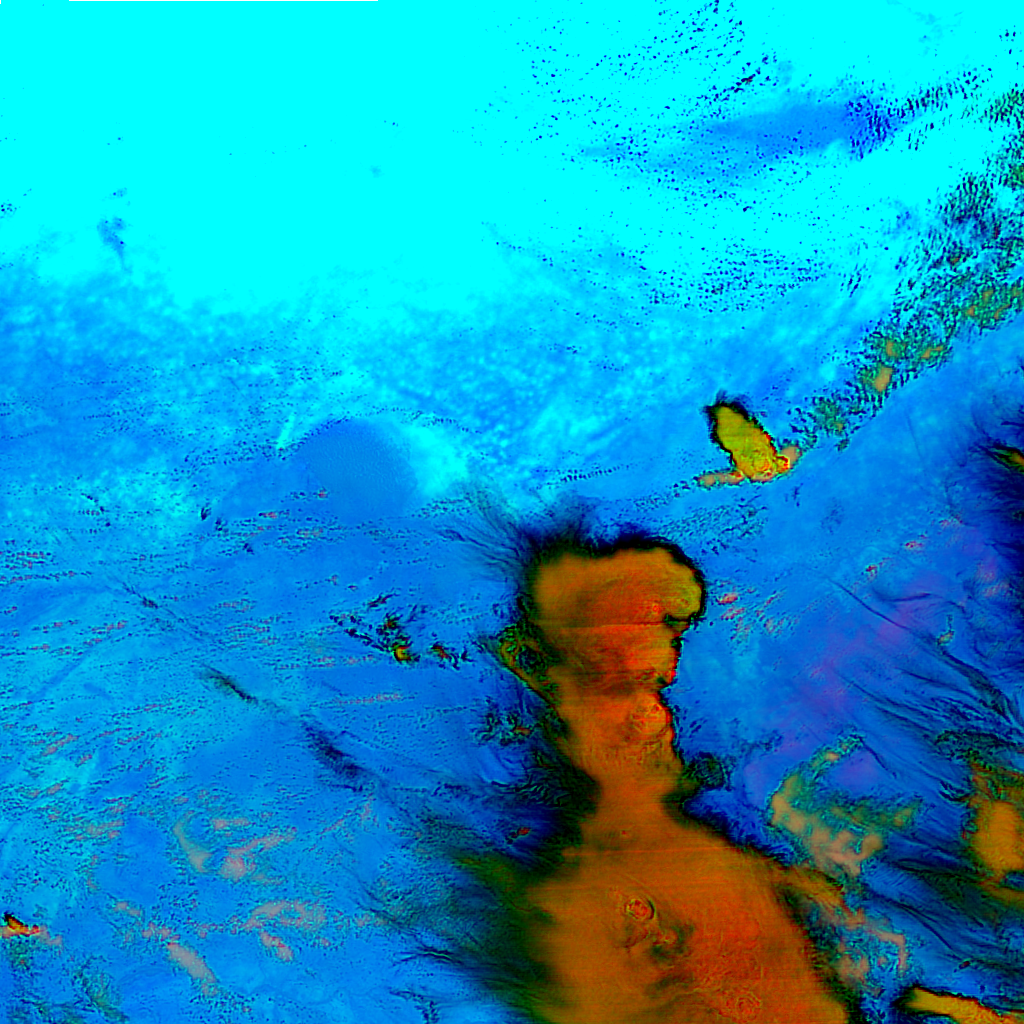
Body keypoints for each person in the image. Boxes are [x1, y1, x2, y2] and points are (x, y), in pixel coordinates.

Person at [497, 537, 855, 1024]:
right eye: (621, 688)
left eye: (653, 687)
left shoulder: (723, 856)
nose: (653, 719)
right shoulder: (579, 908)